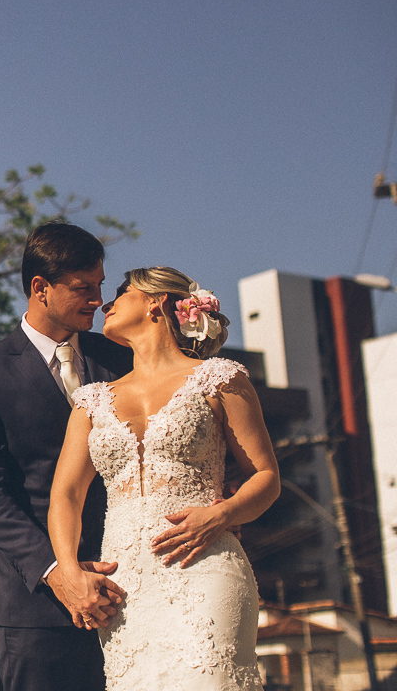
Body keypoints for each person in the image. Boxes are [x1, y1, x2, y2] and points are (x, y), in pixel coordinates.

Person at [48, 267, 280, 690]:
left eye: (121, 293)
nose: (106, 303)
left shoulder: (220, 379)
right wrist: (69, 571)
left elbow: (266, 477)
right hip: (124, 587)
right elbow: (65, 494)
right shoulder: (91, 401)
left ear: (157, 302)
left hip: (204, 566)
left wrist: (222, 515)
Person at [0, 221, 133, 691]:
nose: (97, 300)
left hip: (129, 588)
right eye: (83, 288)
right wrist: (60, 573)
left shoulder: (121, 360)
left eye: (100, 286)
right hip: (35, 608)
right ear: (40, 288)